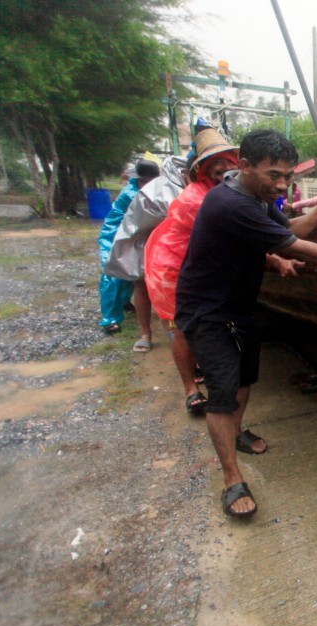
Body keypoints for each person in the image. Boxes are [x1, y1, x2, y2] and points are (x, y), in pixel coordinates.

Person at [175, 128, 317, 518]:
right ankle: (231, 478)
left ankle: (237, 432)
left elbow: (288, 231)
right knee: (222, 391)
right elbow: (294, 245)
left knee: (245, 378)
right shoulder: (230, 203)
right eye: (274, 175)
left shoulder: (259, 199)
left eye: (288, 176)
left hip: (240, 303)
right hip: (206, 310)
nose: (282, 184)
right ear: (244, 167)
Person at [143, 127, 243, 414]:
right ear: (203, 170)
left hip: (203, 267)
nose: (224, 167)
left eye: (228, 161)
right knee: (183, 329)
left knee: (207, 324)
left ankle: (204, 370)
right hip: (173, 269)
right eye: (216, 163)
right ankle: (191, 389)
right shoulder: (196, 199)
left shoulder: (229, 190)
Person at [105, 155, 188, 352]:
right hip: (144, 242)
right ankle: (146, 333)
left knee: (172, 292)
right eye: (142, 180)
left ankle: (179, 339)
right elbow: (131, 224)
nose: (144, 183)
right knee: (141, 284)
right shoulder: (137, 193)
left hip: (169, 245)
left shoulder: (177, 187)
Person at [98, 158, 160, 336]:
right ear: (140, 180)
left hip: (133, 235)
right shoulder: (133, 194)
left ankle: (124, 302)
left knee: (132, 274)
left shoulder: (150, 190)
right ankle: (110, 320)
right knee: (114, 274)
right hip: (115, 236)